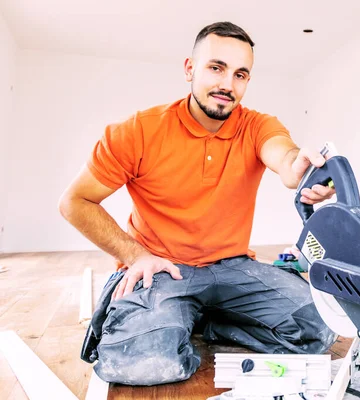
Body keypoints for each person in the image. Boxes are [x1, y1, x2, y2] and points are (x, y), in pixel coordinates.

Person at [59, 21, 337, 386]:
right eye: (216, 68)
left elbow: (285, 159)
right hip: (162, 270)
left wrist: (300, 170)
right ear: (190, 69)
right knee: (144, 363)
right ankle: (173, 316)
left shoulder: (257, 126)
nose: (227, 84)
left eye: (240, 74)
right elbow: (74, 202)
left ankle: (202, 318)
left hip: (232, 267)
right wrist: (136, 256)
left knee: (320, 329)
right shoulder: (138, 131)